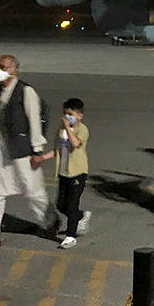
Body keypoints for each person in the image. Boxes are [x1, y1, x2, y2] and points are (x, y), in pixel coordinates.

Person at [0, 55, 58, 251]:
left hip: (22, 151)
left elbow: (35, 121)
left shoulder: (25, 92)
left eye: (2, 67)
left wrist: (37, 150)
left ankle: (51, 222)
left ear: (14, 70)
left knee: (33, 192)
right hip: (1, 152)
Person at [40, 98, 90, 250]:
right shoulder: (60, 131)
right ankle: (81, 216)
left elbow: (75, 144)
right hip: (63, 173)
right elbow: (56, 151)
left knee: (72, 205)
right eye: (64, 114)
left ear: (79, 116)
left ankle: (70, 236)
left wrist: (68, 128)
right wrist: (41, 158)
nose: (66, 117)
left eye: (70, 114)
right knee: (61, 205)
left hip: (77, 173)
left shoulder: (82, 129)